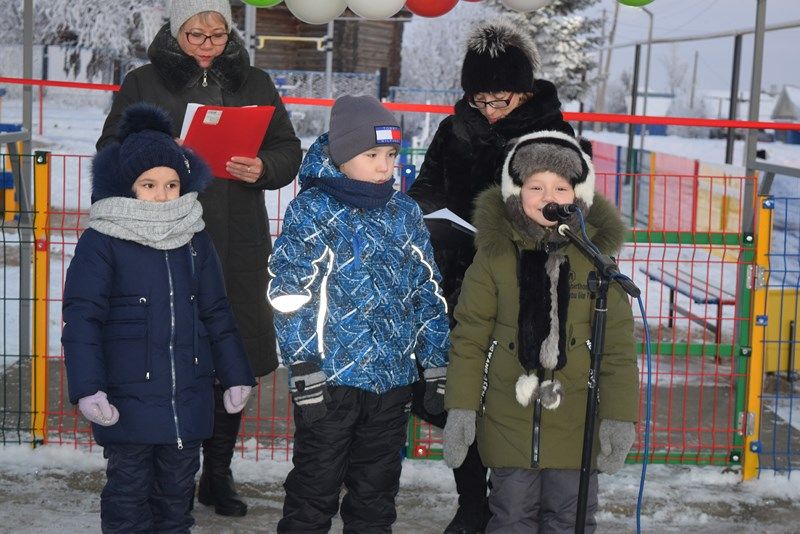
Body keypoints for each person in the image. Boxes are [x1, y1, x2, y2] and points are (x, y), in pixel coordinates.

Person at [96, 0, 302, 517]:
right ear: (175, 31)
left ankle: (218, 473)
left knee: (229, 356)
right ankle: (164, 475)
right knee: (167, 354)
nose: (207, 45)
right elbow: (110, 147)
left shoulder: (254, 81)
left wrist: (262, 167)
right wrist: (159, 159)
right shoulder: (144, 81)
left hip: (236, 244)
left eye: (216, 34)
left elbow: (287, 148)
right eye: (195, 35)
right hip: (159, 240)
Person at [406, 19, 576, 534]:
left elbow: (564, 210)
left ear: (524, 91)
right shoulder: (454, 128)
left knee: (508, 397)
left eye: (499, 99)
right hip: (455, 282)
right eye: (479, 99)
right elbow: (427, 188)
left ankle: (507, 505)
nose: (488, 109)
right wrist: (426, 217)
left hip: (524, 286)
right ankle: (471, 502)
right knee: (451, 393)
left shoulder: (551, 134)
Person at [63, 103, 256, 533]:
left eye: (171, 183)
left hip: (187, 403)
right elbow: (83, 319)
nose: (163, 193)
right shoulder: (102, 241)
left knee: (175, 502)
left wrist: (236, 374)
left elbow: (216, 311)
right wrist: (87, 388)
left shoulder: (194, 237)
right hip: (125, 406)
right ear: (127, 187)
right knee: (128, 499)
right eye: (148, 184)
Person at [267, 95, 451, 533]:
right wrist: (304, 365)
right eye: (372, 155)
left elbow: (428, 290)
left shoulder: (404, 213)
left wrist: (436, 362)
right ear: (342, 155)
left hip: (391, 381)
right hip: (330, 384)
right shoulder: (313, 210)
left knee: (376, 493)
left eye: (390, 155)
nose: (384, 166)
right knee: (315, 488)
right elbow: (290, 294)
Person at [442, 130, 639, 533]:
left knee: (570, 519)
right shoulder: (493, 255)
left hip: (577, 422)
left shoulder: (596, 261)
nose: (548, 196)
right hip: (508, 422)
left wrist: (619, 418)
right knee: (511, 517)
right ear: (515, 192)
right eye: (535, 186)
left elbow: (617, 349)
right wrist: (461, 408)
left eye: (561, 187)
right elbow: (470, 339)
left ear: (579, 195)